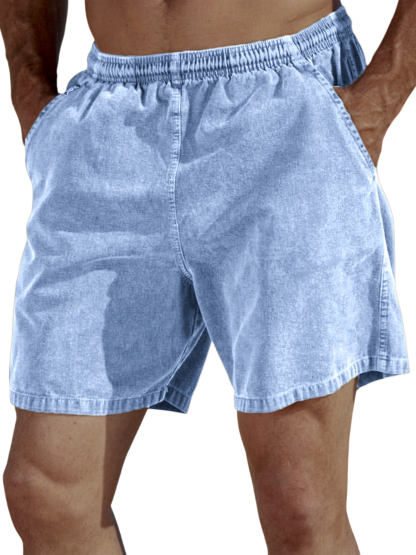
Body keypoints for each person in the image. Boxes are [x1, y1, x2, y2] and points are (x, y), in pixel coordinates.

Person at [0, 0, 413, 552]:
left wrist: (378, 99)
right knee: (46, 490)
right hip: (107, 125)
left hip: (281, 113)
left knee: (300, 502)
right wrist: (30, 93)